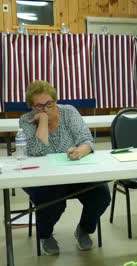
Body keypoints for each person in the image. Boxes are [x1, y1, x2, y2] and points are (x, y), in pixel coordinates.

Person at [19, 80, 111, 255]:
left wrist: (80, 150)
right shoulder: (26, 121)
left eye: (49, 104)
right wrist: (43, 122)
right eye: (39, 106)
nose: (45, 109)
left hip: (73, 173)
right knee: (53, 201)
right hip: (42, 178)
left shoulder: (69, 112)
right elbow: (37, 151)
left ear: (55, 101)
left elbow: (87, 140)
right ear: (31, 106)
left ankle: (84, 229)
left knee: (101, 194)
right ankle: (45, 235)